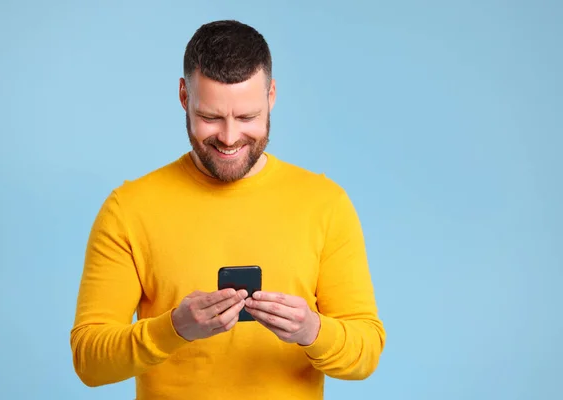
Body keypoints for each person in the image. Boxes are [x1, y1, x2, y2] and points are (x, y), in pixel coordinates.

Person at [70, 19, 386, 400]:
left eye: (248, 117)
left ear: (271, 96)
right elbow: (89, 361)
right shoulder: (128, 209)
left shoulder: (325, 204)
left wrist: (311, 331)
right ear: (184, 96)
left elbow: (366, 353)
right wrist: (173, 328)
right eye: (211, 118)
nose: (230, 137)